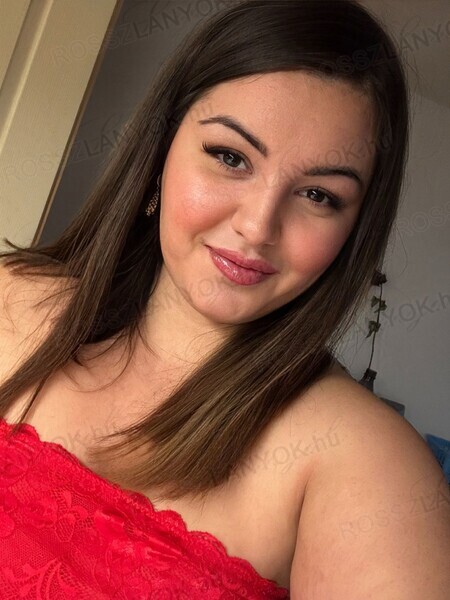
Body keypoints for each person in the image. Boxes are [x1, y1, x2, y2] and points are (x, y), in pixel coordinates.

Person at [0, 0, 448, 598]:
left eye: (318, 195)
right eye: (230, 157)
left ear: (354, 230)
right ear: (159, 154)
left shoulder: (367, 463)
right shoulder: (11, 298)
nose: (258, 227)